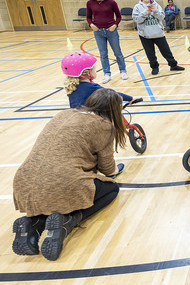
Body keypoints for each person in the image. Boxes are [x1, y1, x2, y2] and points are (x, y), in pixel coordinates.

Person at [12, 88, 126, 261]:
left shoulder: (63, 114)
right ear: (113, 110)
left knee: (53, 197)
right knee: (112, 189)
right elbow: (108, 169)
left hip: (24, 182)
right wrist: (116, 170)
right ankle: (69, 220)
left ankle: (34, 223)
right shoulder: (103, 126)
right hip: (63, 183)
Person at [132, 0, 185, 75]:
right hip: (145, 35)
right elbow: (137, 19)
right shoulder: (137, 7)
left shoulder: (156, 5)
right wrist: (145, 13)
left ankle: (173, 65)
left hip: (158, 33)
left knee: (166, 51)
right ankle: (154, 67)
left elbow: (162, 17)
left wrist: (155, 11)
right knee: (150, 53)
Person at [86, 0, 128, 84]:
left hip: (111, 31)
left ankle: (123, 71)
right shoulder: (90, 3)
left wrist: (115, 25)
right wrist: (91, 25)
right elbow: (88, 17)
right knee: (103, 54)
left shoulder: (111, 2)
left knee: (117, 53)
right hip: (98, 32)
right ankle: (107, 74)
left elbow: (118, 16)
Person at [61, 52, 134, 108]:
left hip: (75, 117)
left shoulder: (72, 86)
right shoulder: (91, 87)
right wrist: (130, 98)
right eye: (94, 69)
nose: (95, 70)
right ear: (86, 72)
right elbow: (112, 95)